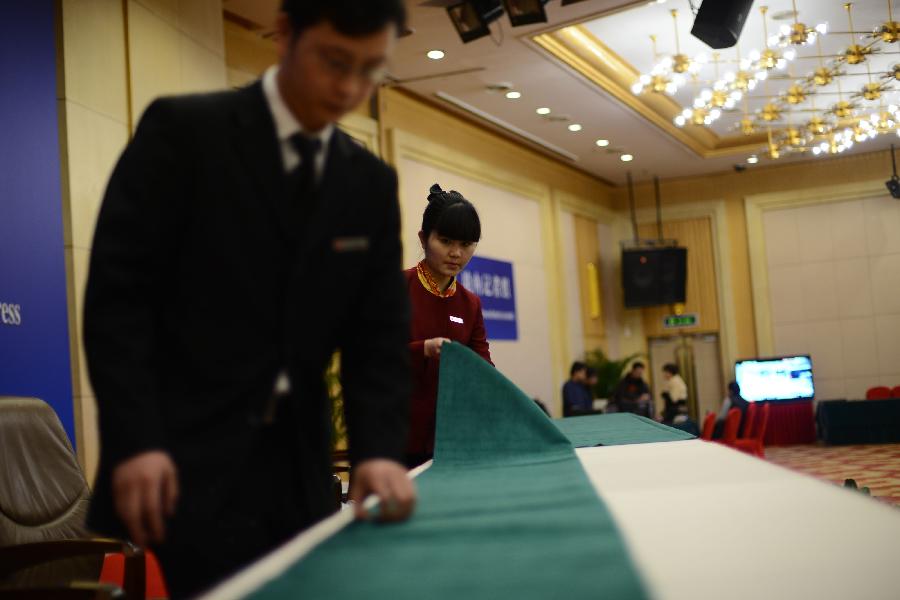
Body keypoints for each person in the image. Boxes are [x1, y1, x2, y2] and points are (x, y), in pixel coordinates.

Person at [83, 2, 415, 596]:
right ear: (285, 32)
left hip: (303, 468)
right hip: (187, 460)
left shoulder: (368, 182)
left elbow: (378, 337)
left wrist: (379, 450)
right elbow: (119, 300)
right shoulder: (185, 135)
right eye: (334, 62)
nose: (349, 88)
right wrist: (136, 439)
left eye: (370, 70)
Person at [404, 184, 492, 468]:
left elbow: (483, 369)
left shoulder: (470, 304)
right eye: (446, 241)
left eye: (466, 245)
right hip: (394, 436)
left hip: (450, 442)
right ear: (423, 238)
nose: (456, 253)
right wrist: (423, 350)